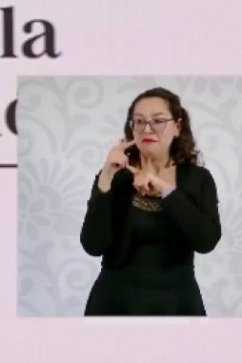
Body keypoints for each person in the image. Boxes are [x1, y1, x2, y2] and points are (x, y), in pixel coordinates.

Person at [80, 87, 221, 315]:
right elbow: (93, 246)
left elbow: (206, 242)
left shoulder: (198, 179)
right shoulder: (115, 177)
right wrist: (105, 176)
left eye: (158, 121)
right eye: (139, 121)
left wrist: (166, 190)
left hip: (177, 304)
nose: (147, 128)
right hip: (114, 303)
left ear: (178, 127)